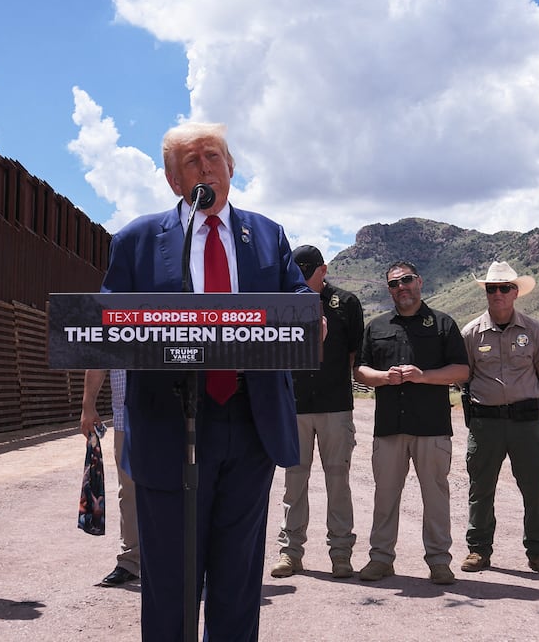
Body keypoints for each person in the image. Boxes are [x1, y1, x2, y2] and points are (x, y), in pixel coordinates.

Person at [102, 121, 310, 641]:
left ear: (231, 168)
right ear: (175, 181)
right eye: (192, 162)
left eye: (214, 157)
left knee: (238, 576)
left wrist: (312, 319)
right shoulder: (137, 241)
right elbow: (107, 324)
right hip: (168, 423)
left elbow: (301, 304)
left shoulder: (267, 235)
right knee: (170, 577)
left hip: (249, 419)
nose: (206, 168)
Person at [355, 262, 469, 585]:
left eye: (406, 280)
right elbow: (360, 370)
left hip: (431, 427)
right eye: (394, 284)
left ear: (419, 281)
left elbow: (462, 371)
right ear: (389, 290)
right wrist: (383, 378)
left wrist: (425, 377)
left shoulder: (443, 325)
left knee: (436, 497)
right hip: (389, 426)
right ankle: (380, 559)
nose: (401, 287)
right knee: (385, 496)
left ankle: (439, 562)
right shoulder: (376, 327)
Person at [270, 245, 364, 580]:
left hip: (334, 406)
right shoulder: (283, 301)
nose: (302, 280)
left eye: (308, 273)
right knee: (293, 482)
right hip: (294, 406)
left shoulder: (347, 304)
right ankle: (290, 553)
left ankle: (341, 554)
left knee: (338, 481)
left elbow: (354, 354)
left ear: (323, 270)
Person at [459, 261, 539, 576]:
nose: (497, 294)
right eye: (492, 289)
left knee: (535, 488)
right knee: (481, 487)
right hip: (484, 423)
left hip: (525, 422)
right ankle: (478, 549)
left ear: (515, 292)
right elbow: (465, 377)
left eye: (504, 288)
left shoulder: (532, 330)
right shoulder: (471, 333)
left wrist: (519, 395)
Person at [80, 369, 140, 587]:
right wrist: (88, 406)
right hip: (127, 419)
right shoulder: (111, 332)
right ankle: (131, 561)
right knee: (130, 491)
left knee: (181, 488)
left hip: (175, 415)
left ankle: (183, 559)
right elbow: (99, 360)